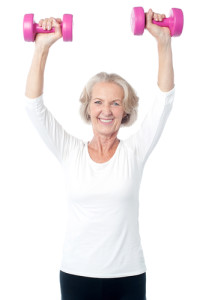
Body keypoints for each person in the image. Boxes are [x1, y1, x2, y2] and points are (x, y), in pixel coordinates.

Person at [24, 8, 175, 300]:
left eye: (116, 103)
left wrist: (164, 42)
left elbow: (165, 100)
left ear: (126, 111)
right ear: (88, 108)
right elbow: (33, 107)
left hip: (128, 275)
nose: (106, 111)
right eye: (98, 102)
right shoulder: (70, 151)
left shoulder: (135, 151)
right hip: (77, 274)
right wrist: (42, 47)